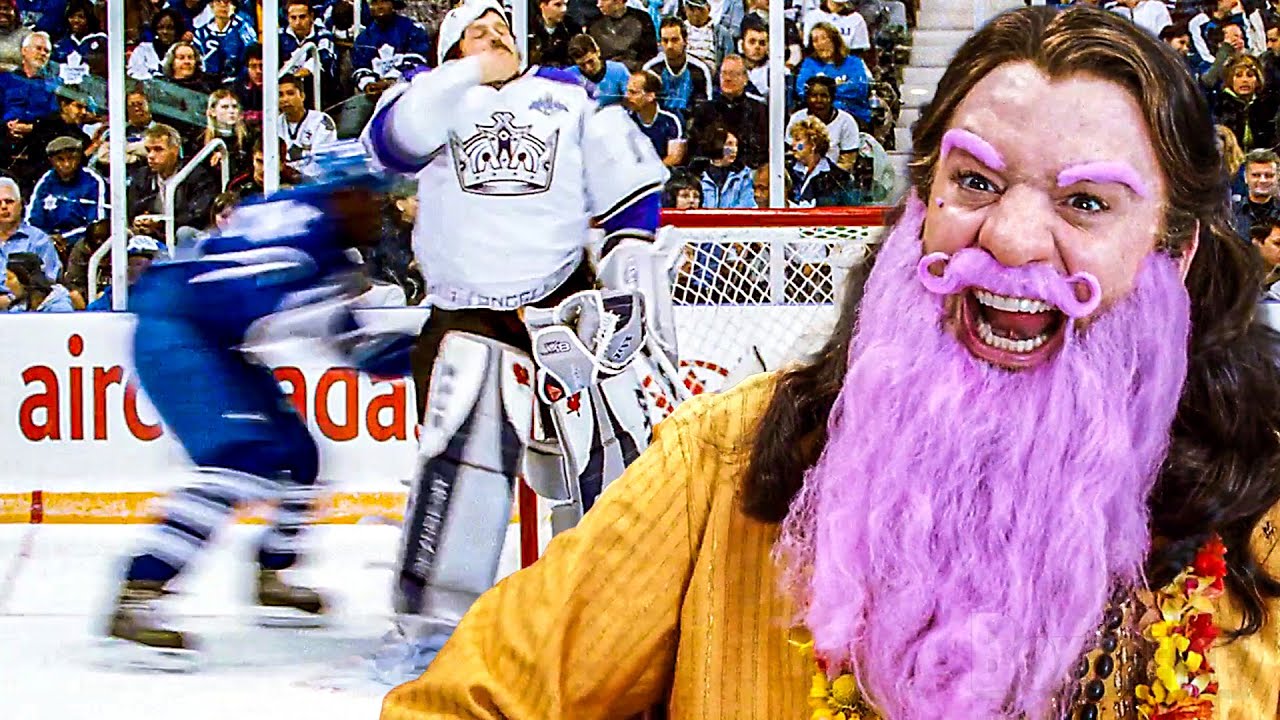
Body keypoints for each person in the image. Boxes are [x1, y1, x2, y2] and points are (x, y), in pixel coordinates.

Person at [379, 6, 1280, 718]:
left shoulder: (1261, 522)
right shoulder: (720, 463)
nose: (1009, 240)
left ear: (1177, 252)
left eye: (1085, 202)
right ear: (919, 207)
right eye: (974, 183)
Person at [360, 0, 672, 674]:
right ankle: (433, 635)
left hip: (563, 301)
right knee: (464, 462)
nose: (496, 32)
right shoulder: (429, 96)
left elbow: (630, 186)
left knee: (603, 457)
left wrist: (627, 263)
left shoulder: (567, 96)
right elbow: (391, 144)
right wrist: (463, 72)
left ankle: (613, 611)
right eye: (477, 29)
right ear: (449, 49)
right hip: (464, 313)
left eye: (502, 24)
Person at [103, 141, 417, 668]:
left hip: (206, 334)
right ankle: (141, 586)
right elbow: (355, 350)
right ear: (345, 195)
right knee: (240, 460)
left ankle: (273, 571)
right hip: (178, 334)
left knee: (297, 454)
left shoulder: (302, 222)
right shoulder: (308, 246)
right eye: (372, 198)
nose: (378, 212)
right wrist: (434, 346)